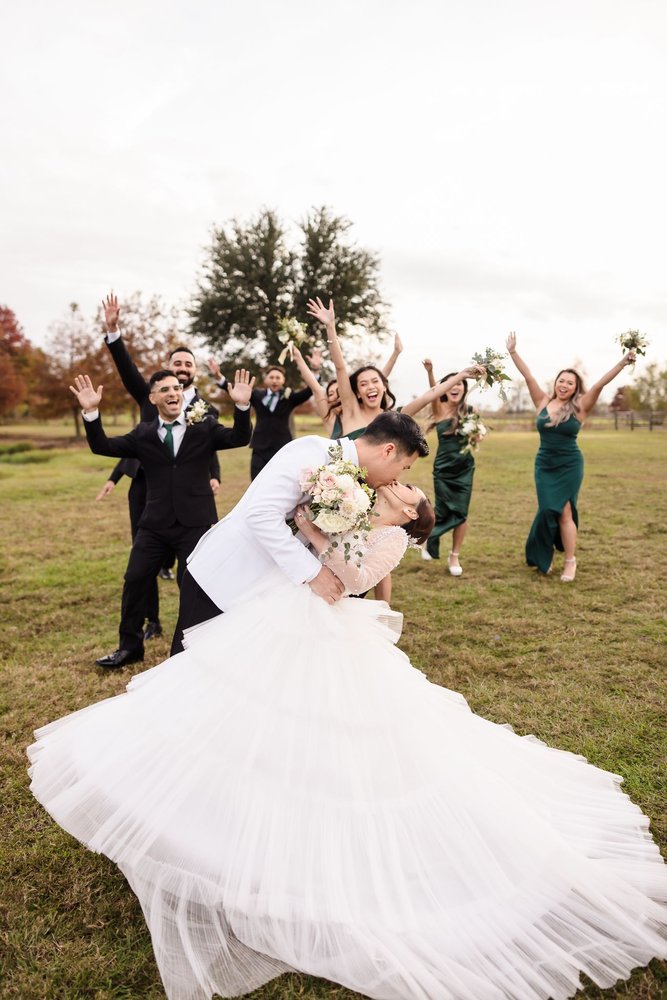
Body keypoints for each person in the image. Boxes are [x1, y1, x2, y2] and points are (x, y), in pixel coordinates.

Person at [28, 447, 666, 1000]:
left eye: (410, 491)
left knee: (322, 739)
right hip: (283, 614)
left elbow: (345, 582)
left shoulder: (388, 540)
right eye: (404, 479)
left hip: (321, 629)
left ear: (412, 516)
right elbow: (307, 545)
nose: (402, 485)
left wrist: (328, 537)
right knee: (232, 713)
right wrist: (316, 525)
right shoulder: (357, 508)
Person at [170, 410, 430, 653]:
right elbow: (261, 514)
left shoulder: (360, 487)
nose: (397, 478)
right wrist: (313, 572)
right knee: (190, 670)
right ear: (388, 450)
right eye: (404, 468)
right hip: (224, 578)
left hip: (261, 595)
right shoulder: (312, 452)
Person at [71, 369, 253, 668]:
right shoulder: (142, 434)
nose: (173, 393)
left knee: (193, 586)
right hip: (154, 524)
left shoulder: (203, 426)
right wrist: (91, 413)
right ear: (153, 398)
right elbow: (102, 446)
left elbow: (239, 438)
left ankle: (187, 651)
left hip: (194, 522)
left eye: (177, 388)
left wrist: (243, 406)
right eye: (165, 389)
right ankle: (129, 648)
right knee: (135, 579)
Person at [101, 292, 222, 638]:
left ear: (194, 371)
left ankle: (193, 626)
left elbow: (209, 447)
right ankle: (150, 620)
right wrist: (114, 333)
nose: (182, 369)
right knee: (143, 559)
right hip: (146, 486)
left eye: (188, 364)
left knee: (192, 564)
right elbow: (126, 370)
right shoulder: (150, 395)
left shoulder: (206, 410)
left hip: (189, 493)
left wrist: (213, 475)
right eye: (177, 363)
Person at [506, 332, 637, 580]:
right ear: (555, 383)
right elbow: (528, 376)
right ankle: (542, 554)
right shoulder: (542, 401)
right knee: (547, 510)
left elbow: (599, 384)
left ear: (576, 388)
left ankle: (570, 561)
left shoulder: (580, 407)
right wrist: (513, 352)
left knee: (565, 511)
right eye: (561, 381)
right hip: (545, 464)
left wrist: (623, 362)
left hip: (569, 464)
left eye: (570, 383)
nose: (564, 385)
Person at [403, 359, 482, 575]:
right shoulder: (440, 409)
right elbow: (433, 392)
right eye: (452, 384)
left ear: (464, 388)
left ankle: (454, 556)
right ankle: (431, 540)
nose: (456, 387)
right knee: (442, 509)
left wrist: (477, 435)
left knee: (461, 513)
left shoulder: (471, 410)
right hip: (444, 469)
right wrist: (431, 372)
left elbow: (476, 440)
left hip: (465, 468)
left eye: (460, 384)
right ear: (446, 389)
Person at [208, 355, 323, 480]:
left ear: (283, 380)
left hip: (282, 447)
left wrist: (316, 370)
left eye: (278, 378)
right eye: (271, 377)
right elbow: (236, 391)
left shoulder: (290, 397)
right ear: (266, 380)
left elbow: (310, 390)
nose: (274, 380)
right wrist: (218, 376)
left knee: (281, 482)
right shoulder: (256, 394)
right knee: (257, 481)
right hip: (260, 447)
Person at [96, 459, 176, 640]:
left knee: (171, 549)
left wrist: (213, 475)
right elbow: (130, 451)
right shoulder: (143, 435)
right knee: (143, 564)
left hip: (170, 487)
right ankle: (153, 621)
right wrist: (113, 479)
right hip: (140, 489)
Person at [290, 332, 404, 438]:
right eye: (331, 394)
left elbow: (378, 380)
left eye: (339, 392)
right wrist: (299, 359)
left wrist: (395, 354)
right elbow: (316, 389)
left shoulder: (363, 413)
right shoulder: (330, 419)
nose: (336, 396)